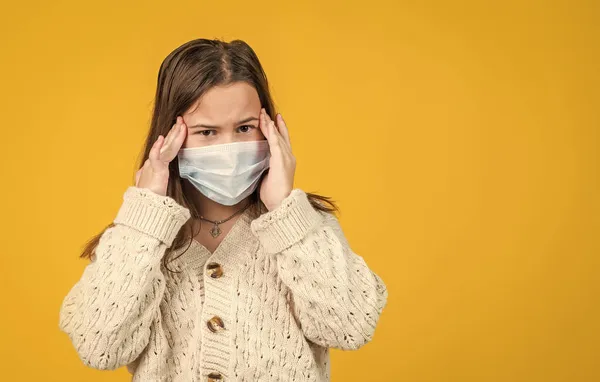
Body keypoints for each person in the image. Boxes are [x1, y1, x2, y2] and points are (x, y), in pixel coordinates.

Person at [58, 38, 388, 382]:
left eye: (244, 128)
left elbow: (351, 328)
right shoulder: (139, 238)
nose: (229, 147)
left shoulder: (303, 227)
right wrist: (146, 212)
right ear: (170, 135)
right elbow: (99, 347)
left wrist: (285, 211)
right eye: (207, 132)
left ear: (269, 128)